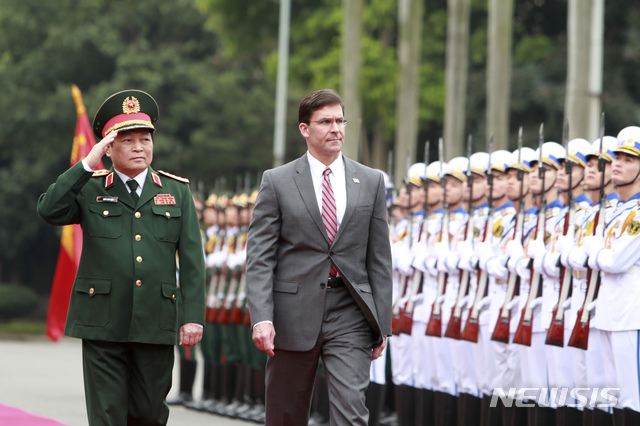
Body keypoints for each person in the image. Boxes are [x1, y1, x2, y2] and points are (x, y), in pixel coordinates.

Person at [37, 89, 206, 426]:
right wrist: (87, 162)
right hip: (103, 320)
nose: (139, 147)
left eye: (145, 139)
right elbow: (49, 209)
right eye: (127, 141)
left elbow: (191, 261)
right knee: (107, 415)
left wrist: (193, 316)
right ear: (109, 148)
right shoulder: (90, 187)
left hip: (155, 320)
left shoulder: (176, 192)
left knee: (149, 413)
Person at [246, 88, 393, 425]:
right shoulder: (278, 181)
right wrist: (262, 317)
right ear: (304, 129)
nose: (336, 128)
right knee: (285, 413)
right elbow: (260, 257)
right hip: (291, 315)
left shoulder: (370, 181)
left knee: (352, 411)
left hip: (351, 311)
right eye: (325, 121)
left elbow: (379, 258)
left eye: (340, 120)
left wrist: (382, 323)